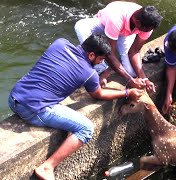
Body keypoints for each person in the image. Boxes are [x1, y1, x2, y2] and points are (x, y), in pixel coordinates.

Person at [8, 34, 144, 179]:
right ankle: (47, 167)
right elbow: (98, 94)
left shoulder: (60, 43)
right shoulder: (89, 74)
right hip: (32, 110)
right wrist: (127, 92)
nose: (99, 63)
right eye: (100, 59)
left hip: (14, 97)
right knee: (86, 128)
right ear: (91, 55)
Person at [74, 1, 163, 92]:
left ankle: (113, 66)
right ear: (138, 23)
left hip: (125, 32)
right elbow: (109, 53)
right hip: (103, 25)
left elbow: (135, 51)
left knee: (131, 72)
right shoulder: (116, 18)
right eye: (146, 30)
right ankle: (102, 70)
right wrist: (129, 80)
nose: (147, 32)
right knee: (81, 28)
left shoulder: (148, 25)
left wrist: (145, 79)